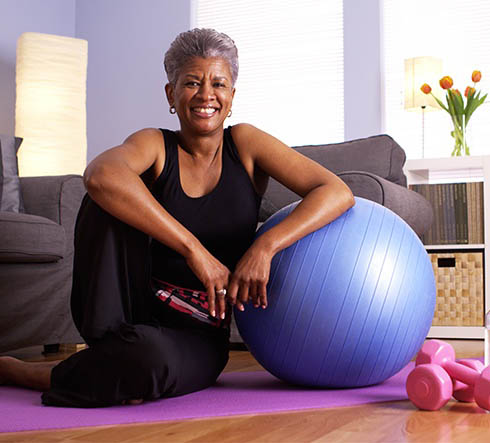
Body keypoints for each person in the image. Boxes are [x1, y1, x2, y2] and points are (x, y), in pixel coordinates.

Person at [0, 28, 354, 407]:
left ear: (232, 96)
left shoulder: (247, 144)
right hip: (124, 310)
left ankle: (37, 371)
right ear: (171, 94)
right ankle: (99, 358)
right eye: (191, 83)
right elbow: (100, 174)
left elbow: (336, 192)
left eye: (219, 83)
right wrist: (193, 250)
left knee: (150, 363)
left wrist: (264, 246)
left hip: (198, 330)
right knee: (106, 196)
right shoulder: (154, 144)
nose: (206, 95)